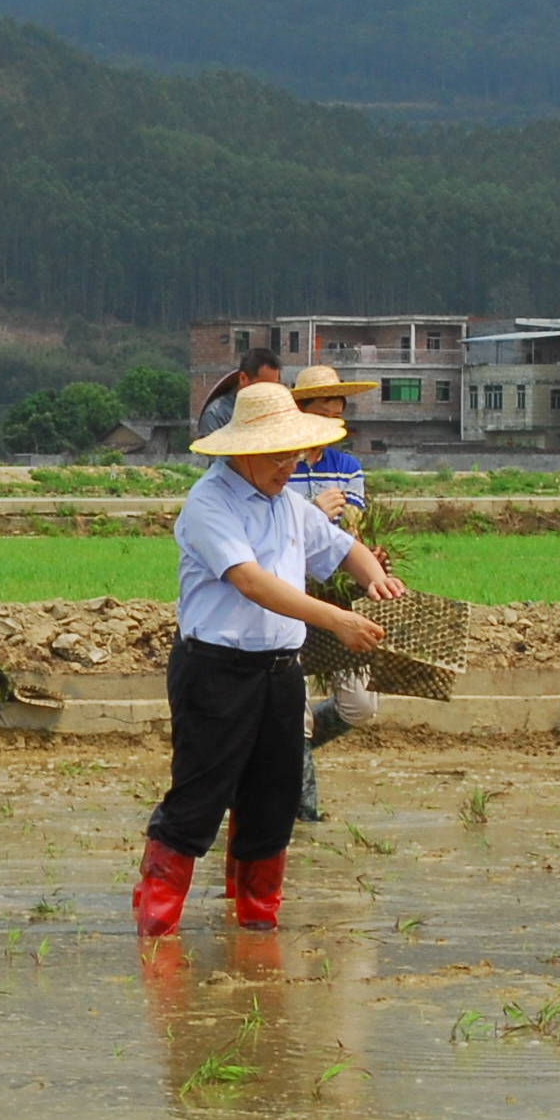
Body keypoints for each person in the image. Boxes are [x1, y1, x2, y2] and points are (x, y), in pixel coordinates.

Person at [137, 383, 406, 935]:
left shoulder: (288, 506)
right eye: (278, 455)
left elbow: (340, 548)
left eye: (294, 454)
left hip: (281, 673)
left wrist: (376, 579)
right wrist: (337, 620)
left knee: (272, 801)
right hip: (217, 672)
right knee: (198, 798)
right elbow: (252, 583)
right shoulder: (209, 504)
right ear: (243, 451)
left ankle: (257, 923)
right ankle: (157, 926)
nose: (290, 466)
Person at [282, 365, 390, 821]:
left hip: (336, 599)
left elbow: (352, 531)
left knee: (360, 705)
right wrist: (313, 512)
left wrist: (369, 560)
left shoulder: (347, 468)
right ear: (301, 412)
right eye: (322, 411)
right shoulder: (278, 467)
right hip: (286, 598)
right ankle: (301, 812)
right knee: (296, 713)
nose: (330, 421)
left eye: (337, 413)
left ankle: (286, 752)